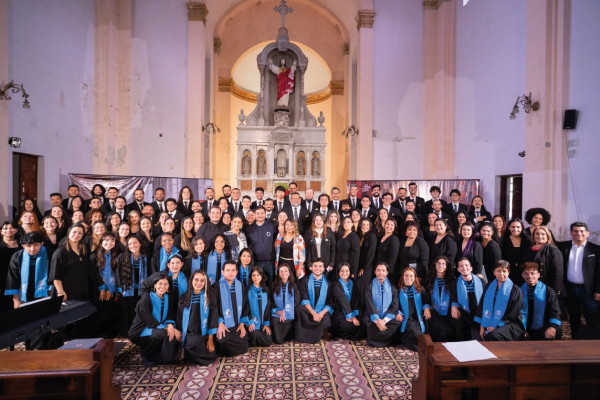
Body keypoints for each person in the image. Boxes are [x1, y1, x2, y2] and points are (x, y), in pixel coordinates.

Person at [558, 221, 600, 338]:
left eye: (582, 231)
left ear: (587, 233)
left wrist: (598, 290)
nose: (579, 233)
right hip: (570, 288)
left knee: (592, 316)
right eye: (575, 231)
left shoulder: (595, 249)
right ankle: (576, 340)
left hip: (589, 290)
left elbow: (599, 272)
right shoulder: (563, 247)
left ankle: (594, 341)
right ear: (571, 233)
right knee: (573, 316)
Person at [128, 273, 181, 367]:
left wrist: (170, 325)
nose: (162, 286)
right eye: (160, 283)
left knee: (170, 333)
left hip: (157, 327)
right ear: (154, 285)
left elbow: (170, 315)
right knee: (161, 334)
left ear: (169, 286)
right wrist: (167, 327)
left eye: (165, 284)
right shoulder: (146, 299)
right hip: (142, 329)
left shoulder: (169, 298)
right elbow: (149, 321)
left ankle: (161, 357)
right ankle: (147, 355)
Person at [50, 223, 104, 302]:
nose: (76, 235)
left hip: (81, 290)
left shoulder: (84, 250)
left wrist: (101, 285)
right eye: (74, 232)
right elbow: (55, 275)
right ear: (69, 232)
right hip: (65, 292)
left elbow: (90, 269)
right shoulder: (60, 252)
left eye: (80, 233)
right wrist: (60, 292)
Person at [475, 260, 524, 341]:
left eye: (504, 271)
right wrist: (482, 325)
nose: (501, 274)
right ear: (494, 272)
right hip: (489, 321)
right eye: (498, 271)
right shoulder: (488, 286)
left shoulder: (515, 290)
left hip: (509, 323)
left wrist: (497, 326)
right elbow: (482, 305)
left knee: (494, 335)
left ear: (508, 272)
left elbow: (514, 312)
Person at [177, 270, 219, 365]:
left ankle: (188, 354)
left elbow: (213, 319)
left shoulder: (210, 298)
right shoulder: (184, 299)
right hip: (189, 334)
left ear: (206, 282)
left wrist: (211, 339)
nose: (199, 283)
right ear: (191, 281)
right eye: (196, 280)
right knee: (192, 344)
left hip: (205, 334)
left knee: (210, 355)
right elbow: (179, 319)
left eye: (202, 280)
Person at [5, 232, 52, 308]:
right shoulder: (17, 256)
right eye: (28, 246)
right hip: (24, 293)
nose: (32, 249)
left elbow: (54, 275)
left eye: (36, 245)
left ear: (42, 243)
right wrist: (16, 301)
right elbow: (13, 280)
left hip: (46, 292)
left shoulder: (50, 254)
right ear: (23, 245)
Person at [89, 232, 121, 337]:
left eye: (112, 240)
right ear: (101, 241)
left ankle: (110, 336)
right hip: (98, 289)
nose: (109, 243)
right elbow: (92, 274)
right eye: (106, 240)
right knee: (100, 313)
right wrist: (103, 288)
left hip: (112, 288)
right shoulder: (93, 255)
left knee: (110, 312)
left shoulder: (115, 255)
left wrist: (112, 289)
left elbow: (116, 273)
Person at [117, 235, 150, 338]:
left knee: (139, 313)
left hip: (141, 291)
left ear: (140, 244)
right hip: (126, 290)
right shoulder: (122, 257)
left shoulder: (146, 257)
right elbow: (117, 273)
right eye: (130, 244)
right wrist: (120, 289)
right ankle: (126, 333)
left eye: (135, 243)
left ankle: (138, 333)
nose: (133, 245)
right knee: (126, 314)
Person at [215, 261, 250, 356]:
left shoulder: (241, 285)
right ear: (223, 272)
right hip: (224, 325)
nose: (230, 273)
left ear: (236, 272)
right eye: (228, 270)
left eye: (233, 270)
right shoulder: (216, 286)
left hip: (237, 325)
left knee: (245, 344)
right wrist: (220, 322)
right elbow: (214, 307)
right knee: (222, 340)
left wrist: (242, 324)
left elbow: (245, 305)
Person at [520, 262, 562, 340]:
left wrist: (552, 327)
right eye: (526, 273)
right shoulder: (518, 291)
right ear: (522, 275)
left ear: (538, 275)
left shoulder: (548, 291)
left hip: (543, 326)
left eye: (533, 273)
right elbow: (515, 313)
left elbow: (555, 312)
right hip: (524, 328)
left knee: (556, 330)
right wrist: (521, 330)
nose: (529, 276)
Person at [296, 259, 333, 343]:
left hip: (321, 312)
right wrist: (314, 314)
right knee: (299, 309)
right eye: (315, 266)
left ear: (324, 269)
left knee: (326, 323)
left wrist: (320, 314)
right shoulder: (304, 281)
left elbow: (331, 302)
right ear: (311, 268)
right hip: (308, 311)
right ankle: (305, 335)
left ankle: (321, 331)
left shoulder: (329, 283)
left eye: (320, 266)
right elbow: (304, 299)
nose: (317, 268)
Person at [520, 226, 564, 296]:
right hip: (531, 288)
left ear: (548, 236)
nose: (540, 236)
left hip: (547, 289)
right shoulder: (529, 249)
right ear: (534, 236)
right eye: (537, 234)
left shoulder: (553, 250)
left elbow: (558, 274)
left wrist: (554, 293)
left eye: (543, 234)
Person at [395, 267, 430, 350]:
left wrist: (426, 308)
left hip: (418, 318)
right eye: (406, 275)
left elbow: (426, 301)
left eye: (411, 276)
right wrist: (398, 313)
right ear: (402, 277)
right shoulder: (398, 290)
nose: (409, 278)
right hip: (406, 319)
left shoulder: (420, 289)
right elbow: (395, 305)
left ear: (415, 278)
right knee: (415, 333)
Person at [423, 256, 456, 342]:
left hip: (448, 311)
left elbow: (455, 297)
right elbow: (425, 297)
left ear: (447, 266)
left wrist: (454, 306)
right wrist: (426, 307)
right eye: (438, 263)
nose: (440, 266)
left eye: (443, 264)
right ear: (435, 265)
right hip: (434, 310)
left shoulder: (452, 280)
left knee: (449, 332)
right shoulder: (429, 280)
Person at [453, 258, 485, 340]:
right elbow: (453, 298)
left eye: (466, 265)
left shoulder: (481, 281)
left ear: (471, 268)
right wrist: (453, 306)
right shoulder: (455, 283)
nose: (464, 268)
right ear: (458, 269)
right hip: (465, 314)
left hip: (479, 313)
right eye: (461, 266)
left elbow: (487, 299)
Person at [329, 263, 361, 340]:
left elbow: (355, 300)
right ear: (338, 272)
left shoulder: (352, 283)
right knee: (349, 326)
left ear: (350, 272)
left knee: (361, 321)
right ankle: (332, 332)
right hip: (339, 310)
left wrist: (354, 314)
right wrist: (352, 317)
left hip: (351, 309)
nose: (344, 273)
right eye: (342, 271)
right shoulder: (336, 285)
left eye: (347, 271)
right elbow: (343, 301)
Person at [270, 263, 299, 343]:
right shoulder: (274, 285)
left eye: (286, 271)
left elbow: (297, 300)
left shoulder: (294, 285)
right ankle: (278, 339)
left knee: (288, 320)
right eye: (281, 271)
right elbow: (270, 301)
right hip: (277, 311)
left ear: (289, 273)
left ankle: (287, 337)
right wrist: (279, 311)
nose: (284, 273)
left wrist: (285, 311)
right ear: (278, 274)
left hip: (290, 311)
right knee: (274, 321)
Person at [246, 206, 275, 284]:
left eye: (262, 213)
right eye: (258, 213)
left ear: (265, 214)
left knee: (269, 285)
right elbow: (248, 244)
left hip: (269, 262)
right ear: (254, 215)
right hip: (255, 262)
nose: (260, 215)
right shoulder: (249, 228)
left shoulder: (271, 225)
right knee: (256, 284)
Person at [246, 266, 273, 347]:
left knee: (268, 340)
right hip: (252, 322)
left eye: (258, 275)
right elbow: (245, 308)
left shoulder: (266, 290)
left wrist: (266, 324)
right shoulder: (248, 290)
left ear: (262, 276)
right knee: (255, 335)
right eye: (253, 275)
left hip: (263, 323)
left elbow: (268, 308)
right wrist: (250, 322)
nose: (256, 277)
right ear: (251, 277)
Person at [303, 214, 336, 278]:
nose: (319, 222)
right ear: (313, 222)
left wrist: (331, 264)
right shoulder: (308, 233)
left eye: (321, 220)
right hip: (313, 263)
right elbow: (306, 250)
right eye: (317, 220)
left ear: (324, 222)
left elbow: (333, 249)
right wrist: (309, 264)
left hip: (326, 263)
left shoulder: (329, 233)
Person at [501, 218, 531, 286]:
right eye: (513, 227)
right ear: (508, 227)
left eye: (518, 227)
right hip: (509, 272)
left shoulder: (527, 241)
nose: (515, 229)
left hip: (524, 273)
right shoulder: (503, 240)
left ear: (522, 228)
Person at [356, 218, 378, 299]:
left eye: (367, 225)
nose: (365, 226)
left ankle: (364, 307)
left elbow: (371, 254)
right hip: (360, 265)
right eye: (363, 225)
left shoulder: (372, 236)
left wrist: (363, 268)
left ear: (370, 226)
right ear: (360, 226)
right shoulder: (360, 236)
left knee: (361, 285)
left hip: (367, 266)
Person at [377, 218, 401, 283]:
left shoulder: (394, 239)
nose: (389, 226)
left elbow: (393, 258)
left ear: (394, 228)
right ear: (384, 225)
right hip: (379, 270)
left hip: (388, 272)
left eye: (392, 225)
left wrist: (387, 272)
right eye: (387, 224)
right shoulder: (381, 237)